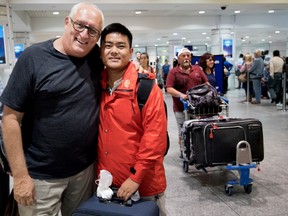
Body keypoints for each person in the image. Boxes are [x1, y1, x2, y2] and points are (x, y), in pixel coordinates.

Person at [0, 3, 104, 215]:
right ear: (67, 22)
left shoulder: (95, 57)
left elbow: (120, 61)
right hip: (40, 177)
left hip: (84, 172)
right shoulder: (33, 58)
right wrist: (20, 178)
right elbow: (10, 119)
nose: (84, 35)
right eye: (80, 25)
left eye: (93, 30)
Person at [97, 23, 167, 215]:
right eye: (108, 45)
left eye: (120, 46)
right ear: (101, 51)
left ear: (130, 52)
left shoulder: (146, 88)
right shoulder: (96, 85)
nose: (113, 51)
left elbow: (155, 139)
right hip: (108, 184)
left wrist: (135, 178)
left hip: (144, 186)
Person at [166, 48, 209, 157]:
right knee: (183, 130)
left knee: (197, 129)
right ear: (178, 59)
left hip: (198, 108)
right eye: (183, 56)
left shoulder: (197, 70)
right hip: (181, 107)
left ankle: (197, 150)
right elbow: (169, 88)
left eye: (188, 56)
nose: (186, 58)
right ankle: (184, 151)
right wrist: (182, 95)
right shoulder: (173, 72)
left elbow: (206, 83)